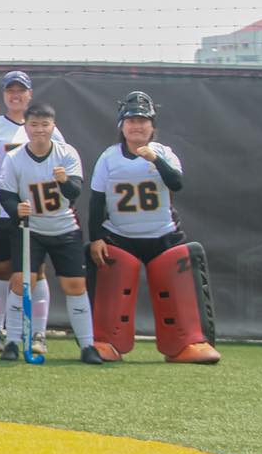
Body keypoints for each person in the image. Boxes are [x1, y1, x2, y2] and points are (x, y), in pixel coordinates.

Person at [88, 92, 219, 364]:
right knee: (110, 275)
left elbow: (176, 183)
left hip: (163, 235)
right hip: (120, 237)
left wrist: (156, 160)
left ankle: (188, 341)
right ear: (121, 125)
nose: (137, 126)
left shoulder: (164, 153)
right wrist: (97, 238)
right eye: (131, 121)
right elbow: (96, 201)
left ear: (152, 126)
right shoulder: (109, 158)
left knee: (179, 276)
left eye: (142, 121)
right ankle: (106, 340)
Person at [0, 103, 103, 364]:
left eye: (45, 125)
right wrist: (16, 208)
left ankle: (87, 345)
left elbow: (74, 192)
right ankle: (13, 341)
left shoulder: (67, 154)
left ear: (53, 126)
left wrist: (64, 181)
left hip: (64, 227)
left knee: (75, 285)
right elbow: (6, 195)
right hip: (30, 228)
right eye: (34, 125)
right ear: (26, 127)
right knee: (22, 282)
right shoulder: (15, 158)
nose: (39, 130)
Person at [0, 70, 64, 353]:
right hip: (3, 207)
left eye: (20, 91)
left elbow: (61, 159)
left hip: (37, 210)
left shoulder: (44, 127)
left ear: (29, 94)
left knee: (36, 271)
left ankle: (38, 333)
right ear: (4, 94)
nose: (15, 95)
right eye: (10, 91)